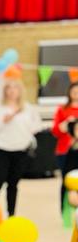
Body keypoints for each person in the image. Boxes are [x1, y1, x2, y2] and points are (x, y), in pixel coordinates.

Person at [0, 79, 42, 216]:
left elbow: (37, 126)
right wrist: (3, 121)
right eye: (9, 88)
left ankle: (11, 214)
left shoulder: (28, 108)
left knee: (13, 184)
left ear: (20, 90)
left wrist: (28, 131)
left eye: (15, 87)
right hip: (0, 149)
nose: (12, 91)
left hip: (20, 150)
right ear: (5, 91)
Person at [51, 82, 78, 215]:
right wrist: (67, 123)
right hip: (64, 152)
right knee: (67, 181)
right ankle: (65, 212)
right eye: (74, 92)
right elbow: (55, 131)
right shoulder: (62, 109)